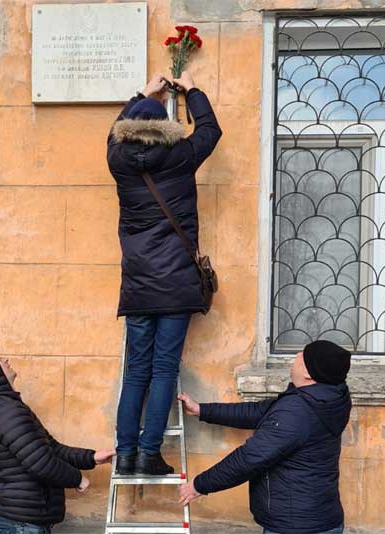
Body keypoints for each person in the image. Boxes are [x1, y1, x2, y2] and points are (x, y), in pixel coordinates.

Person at [107, 70, 223, 476]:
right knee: (163, 370)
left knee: (136, 371)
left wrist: (143, 92)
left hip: (138, 285)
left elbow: (112, 133)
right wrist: (192, 88)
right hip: (175, 285)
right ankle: (150, 452)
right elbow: (211, 129)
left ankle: (125, 454)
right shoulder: (180, 157)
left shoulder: (117, 159)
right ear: (165, 128)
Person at [177, 340, 353, 534]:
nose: (296, 356)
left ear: (309, 374)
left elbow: (249, 458)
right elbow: (259, 411)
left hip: (296, 526)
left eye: (302, 356)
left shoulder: (298, 411)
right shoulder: (329, 397)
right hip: (320, 518)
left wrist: (199, 485)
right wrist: (203, 410)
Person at [0, 342, 115, 534]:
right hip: (19, 526)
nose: (5, 360)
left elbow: (52, 448)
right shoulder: (7, 412)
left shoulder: (8, 407)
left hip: (20, 525)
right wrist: (77, 478)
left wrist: (91, 457)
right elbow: (40, 463)